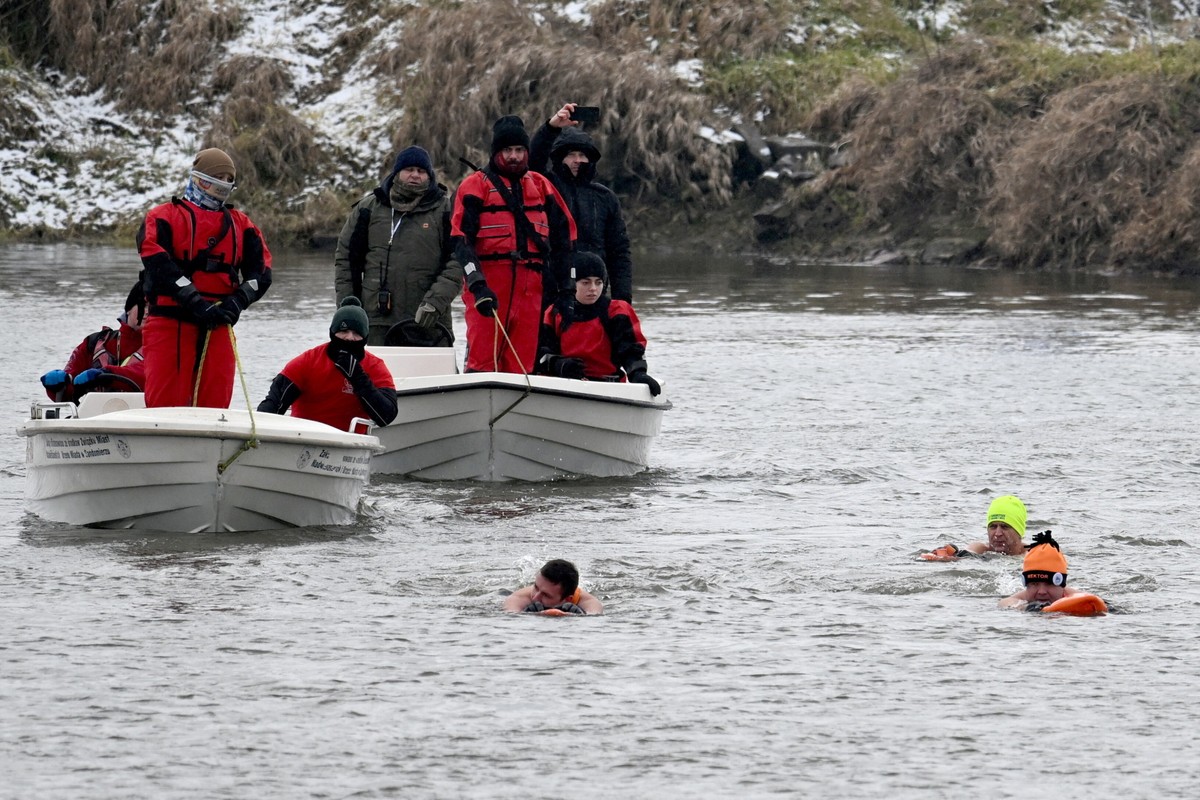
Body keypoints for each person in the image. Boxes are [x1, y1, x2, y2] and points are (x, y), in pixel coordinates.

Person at [137, 147, 272, 408]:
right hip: (171, 322)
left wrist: (238, 301)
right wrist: (195, 301)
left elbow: (262, 272)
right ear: (200, 178)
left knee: (216, 405)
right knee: (167, 404)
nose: (223, 183)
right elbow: (156, 261)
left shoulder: (241, 225)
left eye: (228, 177)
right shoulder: (162, 217)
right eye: (217, 176)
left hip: (219, 323)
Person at [451, 114, 576, 374]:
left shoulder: (542, 187)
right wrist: (477, 284)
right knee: (483, 362)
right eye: (507, 150)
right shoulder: (474, 187)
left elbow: (564, 240)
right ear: (496, 152)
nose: (514, 156)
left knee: (521, 367)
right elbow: (460, 240)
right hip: (488, 290)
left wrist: (566, 290)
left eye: (520, 150)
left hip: (531, 292)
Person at [333, 145, 462, 346]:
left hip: (429, 322)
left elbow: (459, 261)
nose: (415, 175)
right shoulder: (368, 209)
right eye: (409, 170)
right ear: (397, 173)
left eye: (421, 171)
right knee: (373, 377)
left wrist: (435, 303)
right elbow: (346, 261)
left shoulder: (445, 210)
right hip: (375, 322)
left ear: (429, 176)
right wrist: (348, 307)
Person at [530, 102, 634, 302]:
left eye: (582, 155)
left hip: (594, 292)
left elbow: (619, 252)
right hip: (554, 290)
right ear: (560, 158)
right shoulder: (545, 187)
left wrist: (623, 302)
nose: (578, 160)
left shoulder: (605, 197)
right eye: (571, 155)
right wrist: (551, 127)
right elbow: (533, 163)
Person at [257, 297, 398, 431]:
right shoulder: (307, 362)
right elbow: (272, 405)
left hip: (350, 443)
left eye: (356, 333)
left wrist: (357, 377)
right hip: (304, 439)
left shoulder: (375, 367)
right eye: (343, 331)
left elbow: (386, 417)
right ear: (332, 333)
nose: (349, 337)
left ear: (365, 337)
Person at [536, 252, 661, 395]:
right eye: (585, 282)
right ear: (571, 283)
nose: (593, 289)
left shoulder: (617, 311)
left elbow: (631, 350)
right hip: (563, 385)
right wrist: (558, 365)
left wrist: (638, 373)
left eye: (598, 282)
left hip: (607, 388)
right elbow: (540, 353)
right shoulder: (554, 312)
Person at [40, 279, 146, 402]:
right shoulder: (93, 343)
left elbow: (151, 376)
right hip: (95, 416)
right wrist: (57, 385)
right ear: (128, 309)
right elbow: (68, 393)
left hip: (147, 416)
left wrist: (107, 374)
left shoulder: (167, 346)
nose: (148, 310)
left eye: (154, 307)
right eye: (143, 304)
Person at [919, 495, 1028, 560]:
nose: (997, 533)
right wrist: (945, 557)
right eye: (993, 527)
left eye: (1004, 527)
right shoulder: (981, 549)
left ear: (1019, 532)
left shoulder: (1030, 553)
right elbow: (965, 555)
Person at [999, 531, 1086, 609]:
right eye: (1035, 583)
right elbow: (1005, 603)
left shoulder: (1075, 597)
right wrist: (1025, 608)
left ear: (1062, 585)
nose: (1042, 592)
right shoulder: (1023, 598)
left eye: (1049, 583)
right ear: (1025, 584)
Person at [502, 559, 603, 615]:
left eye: (546, 595)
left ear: (568, 599)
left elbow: (593, 617)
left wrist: (577, 616)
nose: (535, 597)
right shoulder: (519, 598)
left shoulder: (588, 601)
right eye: (536, 587)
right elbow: (511, 616)